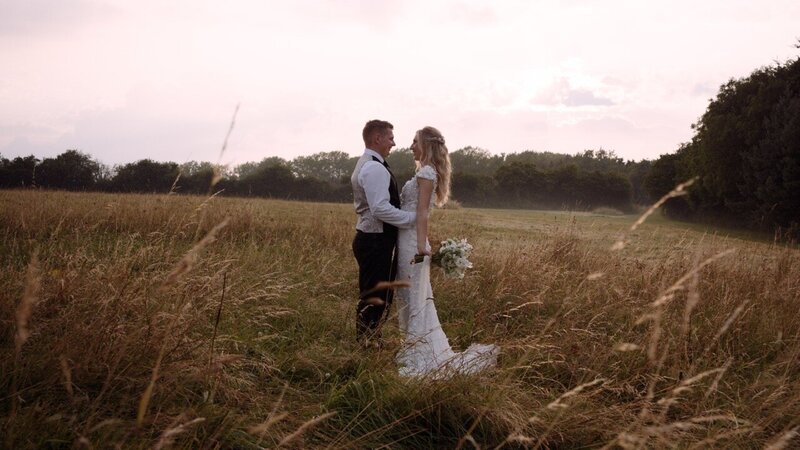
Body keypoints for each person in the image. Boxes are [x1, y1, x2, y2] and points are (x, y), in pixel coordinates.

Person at [395, 126, 498, 377]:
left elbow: (422, 213)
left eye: (415, 141)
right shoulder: (425, 172)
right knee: (411, 299)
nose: (411, 147)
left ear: (427, 146)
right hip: (407, 240)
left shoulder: (427, 173)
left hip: (412, 243)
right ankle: (413, 347)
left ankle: (420, 353)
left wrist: (420, 247)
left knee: (415, 300)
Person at [351, 120, 416, 346]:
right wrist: (410, 220)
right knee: (375, 294)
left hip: (371, 238)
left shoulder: (370, 163)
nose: (394, 143)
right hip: (375, 240)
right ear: (377, 138)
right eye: (390, 138)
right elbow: (379, 208)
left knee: (378, 292)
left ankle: (370, 338)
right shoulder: (374, 167)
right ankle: (366, 342)